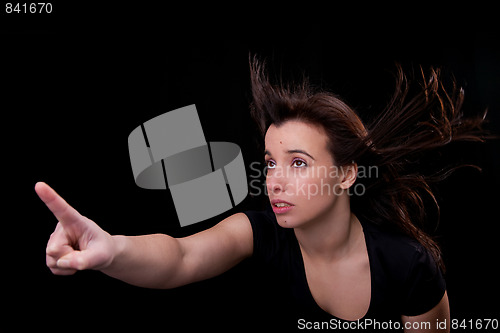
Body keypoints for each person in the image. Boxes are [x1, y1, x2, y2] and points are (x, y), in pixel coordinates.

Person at [36, 59, 487, 332]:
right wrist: (111, 249)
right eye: (270, 162)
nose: (274, 180)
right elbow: (179, 257)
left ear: (348, 174)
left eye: (298, 163)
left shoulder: (408, 266)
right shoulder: (261, 234)